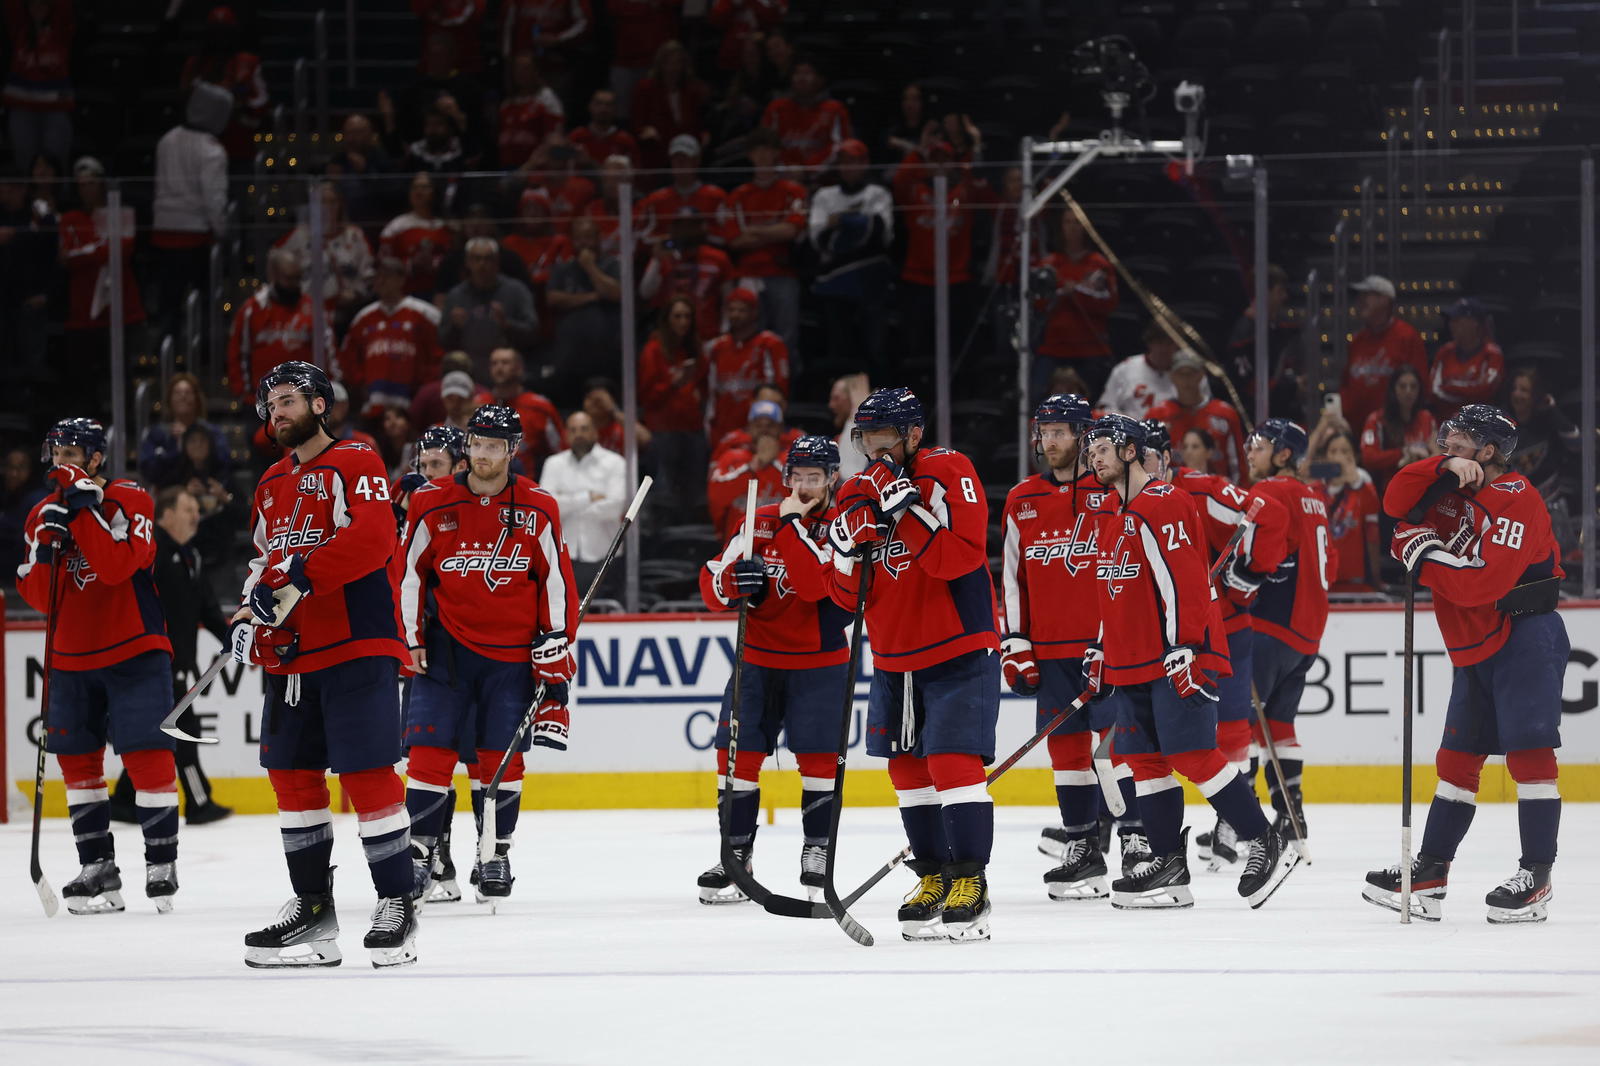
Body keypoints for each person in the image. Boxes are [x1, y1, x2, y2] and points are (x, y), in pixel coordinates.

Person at [236, 362, 417, 969]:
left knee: (366, 776)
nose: (276, 412)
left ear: (319, 404)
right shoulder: (268, 484)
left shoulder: (356, 460)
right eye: (270, 404)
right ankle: (313, 911)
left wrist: (296, 576)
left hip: (355, 643)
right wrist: (249, 609)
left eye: (287, 399)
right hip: (291, 653)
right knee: (292, 778)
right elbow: (264, 561)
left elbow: (374, 539)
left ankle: (398, 902)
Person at [1080, 414, 1298, 909]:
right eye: (1089, 451)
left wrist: (1184, 648)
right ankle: (1169, 866)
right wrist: (1099, 647)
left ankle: (1263, 839)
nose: (1094, 457)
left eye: (1104, 448)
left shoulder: (1165, 502)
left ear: (1132, 452)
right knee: (1145, 762)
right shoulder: (1111, 517)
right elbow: (1115, 594)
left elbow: (1184, 583)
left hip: (1175, 656)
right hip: (1131, 661)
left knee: (1194, 755)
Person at [1364, 405, 1567, 923]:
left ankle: (1536, 877)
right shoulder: (1453, 488)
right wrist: (1441, 470)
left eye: (1458, 443)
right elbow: (1395, 503)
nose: (1447, 446)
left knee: (1529, 758)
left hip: (1525, 635)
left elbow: (1483, 583)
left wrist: (1422, 554)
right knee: (1456, 761)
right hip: (1476, 644)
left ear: (1490, 451)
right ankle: (1430, 873)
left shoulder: (1517, 499)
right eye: (1446, 441)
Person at [823, 388, 999, 942]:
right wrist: (850, 552)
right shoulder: (854, 490)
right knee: (906, 771)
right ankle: (934, 876)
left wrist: (904, 507)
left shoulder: (949, 471)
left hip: (958, 644)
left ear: (913, 435)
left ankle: (971, 881)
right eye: (864, 440)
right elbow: (842, 596)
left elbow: (958, 558)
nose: (872, 452)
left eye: (883, 440)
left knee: (952, 764)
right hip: (895, 653)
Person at [398, 403, 578, 905]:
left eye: (493, 446)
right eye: (476, 444)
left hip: (513, 656)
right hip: (445, 651)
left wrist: (556, 638)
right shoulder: (432, 503)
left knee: (502, 758)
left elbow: (556, 580)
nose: (482, 455)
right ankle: (417, 856)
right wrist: (411, 639)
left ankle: (494, 852)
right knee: (429, 753)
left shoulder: (539, 505)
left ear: (512, 451)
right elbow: (408, 573)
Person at [16, 418, 179, 914]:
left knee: (146, 753)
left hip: (134, 648)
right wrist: (47, 546)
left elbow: (114, 567)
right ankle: (98, 870)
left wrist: (84, 513)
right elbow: (43, 598)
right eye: (57, 453)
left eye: (72, 453)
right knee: (78, 761)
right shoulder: (42, 512)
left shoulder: (130, 498)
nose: (61, 463)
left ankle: (161, 864)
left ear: (95, 459)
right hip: (70, 655)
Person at [695, 436, 850, 903]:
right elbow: (710, 583)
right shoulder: (755, 521)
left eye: (814, 478)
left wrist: (788, 526)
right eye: (797, 477)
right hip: (757, 662)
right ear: (785, 479)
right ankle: (736, 854)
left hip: (821, 664)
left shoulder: (842, 526)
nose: (804, 487)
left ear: (831, 480)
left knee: (820, 761)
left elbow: (814, 587)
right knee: (736, 757)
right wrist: (732, 582)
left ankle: (817, 852)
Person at [1000, 395, 1141, 901]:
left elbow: (1124, 568)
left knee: (1117, 748)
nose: (1051, 441)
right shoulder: (1021, 499)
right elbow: (1013, 579)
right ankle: (1083, 851)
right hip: (1051, 652)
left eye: (1062, 431)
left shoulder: (1112, 493)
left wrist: (1111, 639)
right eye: (1045, 431)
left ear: (1084, 437)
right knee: (1067, 753)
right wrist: (1015, 641)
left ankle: (1137, 844)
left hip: (1108, 650)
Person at [1147, 419, 1257, 870]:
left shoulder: (1202, 489)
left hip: (1222, 628)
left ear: (1166, 459)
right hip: (1163, 638)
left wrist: (1247, 574)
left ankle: (1235, 825)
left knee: (1229, 727)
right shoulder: (1125, 500)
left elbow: (1263, 514)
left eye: (1155, 455)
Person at [1220, 418, 1332, 851]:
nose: (1249, 451)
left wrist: (1238, 579)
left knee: (1241, 726)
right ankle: (1291, 819)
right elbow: (1330, 566)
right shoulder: (1315, 500)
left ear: (1284, 454)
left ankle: (1236, 827)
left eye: (1259, 445)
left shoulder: (1269, 493)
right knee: (1279, 724)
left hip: (1269, 626)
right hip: (1307, 634)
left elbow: (1260, 552)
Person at [108, 487, 235, 825]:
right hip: (155, 661)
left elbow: (207, 610)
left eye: (196, 508)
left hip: (178, 664)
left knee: (166, 729)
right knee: (183, 729)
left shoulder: (190, 556)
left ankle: (123, 799)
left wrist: (237, 639)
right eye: (187, 508)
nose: (196, 515)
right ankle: (198, 800)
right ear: (164, 515)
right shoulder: (153, 553)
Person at [151, 82, 231, 343]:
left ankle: (166, 347)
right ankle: (205, 347)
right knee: (204, 298)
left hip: (163, 234)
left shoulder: (166, 139)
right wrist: (221, 231)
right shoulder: (212, 150)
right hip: (195, 237)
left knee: (169, 301)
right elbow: (214, 198)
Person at [808, 139, 892, 380]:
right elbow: (821, 241)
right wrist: (859, 222)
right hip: (835, 286)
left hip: (871, 283)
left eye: (855, 161)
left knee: (875, 351)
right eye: (845, 162)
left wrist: (842, 221)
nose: (850, 167)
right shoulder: (825, 196)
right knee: (840, 354)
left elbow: (878, 234)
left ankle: (881, 410)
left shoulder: (878, 193)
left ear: (865, 163)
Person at [58, 157, 145, 388]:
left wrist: (88, 251)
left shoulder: (121, 214)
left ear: (102, 183)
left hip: (119, 309)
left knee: (122, 378)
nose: (87, 189)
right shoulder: (70, 219)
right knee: (82, 383)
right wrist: (103, 247)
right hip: (82, 313)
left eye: (91, 183)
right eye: (82, 184)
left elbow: (123, 251)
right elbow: (67, 258)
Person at [727, 128, 806, 355]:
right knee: (749, 336)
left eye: (768, 151)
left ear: (776, 154)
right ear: (750, 155)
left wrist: (754, 230)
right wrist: (774, 230)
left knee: (787, 338)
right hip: (748, 274)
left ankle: (786, 389)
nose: (762, 156)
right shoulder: (738, 195)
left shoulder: (793, 191)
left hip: (783, 273)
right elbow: (735, 241)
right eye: (757, 151)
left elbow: (791, 230)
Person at [539, 409, 627, 598]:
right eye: (573, 429)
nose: (578, 434)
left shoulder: (615, 463)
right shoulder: (553, 464)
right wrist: (588, 497)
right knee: (567, 620)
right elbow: (546, 508)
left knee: (609, 617)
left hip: (606, 555)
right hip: (564, 556)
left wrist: (565, 501)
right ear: (566, 434)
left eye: (584, 429)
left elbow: (614, 508)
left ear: (595, 431)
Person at [338, 256, 444, 412]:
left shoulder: (426, 314)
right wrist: (360, 383)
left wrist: (423, 387)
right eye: (377, 277)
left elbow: (438, 355)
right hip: (372, 405)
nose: (380, 281)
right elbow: (348, 359)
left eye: (386, 276)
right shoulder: (363, 318)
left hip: (413, 405)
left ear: (401, 280)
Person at [638, 296, 708, 520]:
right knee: (664, 491)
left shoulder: (695, 348)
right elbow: (646, 395)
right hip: (663, 430)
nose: (683, 322)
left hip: (692, 426)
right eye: (677, 316)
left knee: (694, 489)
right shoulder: (653, 350)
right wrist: (674, 382)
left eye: (687, 316)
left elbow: (705, 385)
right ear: (667, 319)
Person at [228, 249, 333, 397]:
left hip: (305, 396)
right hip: (262, 398)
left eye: (298, 278)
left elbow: (329, 351)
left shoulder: (313, 309)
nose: (295, 284)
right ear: (274, 276)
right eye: (289, 278)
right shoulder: (253, 309)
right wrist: (244, 392)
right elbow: (237, 352)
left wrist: (327, 389)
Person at [1034, 209, 1117, 400]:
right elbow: (1038, 303)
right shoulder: (1049, 264)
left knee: (1091, 405)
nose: (1072, 228)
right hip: (1054, 347)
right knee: (1038, 399)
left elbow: (1108, 303)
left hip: (1090, 348)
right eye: (1068, 222)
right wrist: (1067, 290)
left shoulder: (1099, 264)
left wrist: (1075, 292)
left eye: (1077, 223)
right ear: (1060, 226)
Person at [545, 212, 623, 397]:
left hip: (605, 357)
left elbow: (615, 293)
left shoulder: (612, 265)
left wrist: (590, 267)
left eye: (588, 237)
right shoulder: (563, 268)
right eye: (579, 238)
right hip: (569, 357)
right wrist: (593, 296)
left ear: (598, 238)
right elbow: (553, 298)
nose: (584, 243)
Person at [179, 5, 270, 163]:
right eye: (216, 32)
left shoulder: (247, 63)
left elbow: (261, 102)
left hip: (238, 143)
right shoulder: (195, 65)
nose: (220, 38)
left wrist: (238, 102)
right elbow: (185, 101)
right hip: (202, 145)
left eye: (225, 32)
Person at [275, 182, 375, 322]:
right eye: (322, 202)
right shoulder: (298, 236)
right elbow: (274, 262)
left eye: (332, 202)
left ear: (340, 205)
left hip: (346, 311)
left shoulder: (355, 236)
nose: (327, 207)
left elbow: (369, 275)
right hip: (304, 312)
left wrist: (356, 294)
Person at [438, 237, 539, 375]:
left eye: (488, 259)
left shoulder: (516, 291)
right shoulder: (456, 295)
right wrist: (455, 327)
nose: (482, 264)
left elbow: (533, 333)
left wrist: (507, 324)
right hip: (469, 372)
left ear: (497, 261)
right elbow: (442, 340)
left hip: (507, 373)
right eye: (476, 259)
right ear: (468, 262)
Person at [1340, 274, 1428, 432]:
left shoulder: (1407, 336)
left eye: (1367, 295)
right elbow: (1346, 383)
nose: (1360, 301)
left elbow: (1419, 384)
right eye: (1359, 296)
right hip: (1356, 429)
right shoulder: (1357, 340)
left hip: (1394, 431)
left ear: (1385, 299)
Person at [1145, 350, 1246, 483]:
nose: (1186, 380)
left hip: (1218, 492)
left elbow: (1238, 463)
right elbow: (1147, 463)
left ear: (1201, 375)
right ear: (1171, 376)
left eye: (1191, 373)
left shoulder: (1224, 414)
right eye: (1181, 374)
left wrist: (1239, 497)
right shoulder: (1157, 416)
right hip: (1173, 493)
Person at [706, 288, 790, 443]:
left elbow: (780, 390)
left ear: (754, 312)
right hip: (723, 428)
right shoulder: (717, 347)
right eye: (731, 310)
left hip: (760, 429)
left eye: (741, 310)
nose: (735, 315)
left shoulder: (770, 344)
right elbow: (710, 391)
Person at [640, 211, 734, 343]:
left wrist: (725, 330)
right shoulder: (664, 257)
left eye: (691, 226)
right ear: (673, 229)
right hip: (670, 337)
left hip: (707, 335)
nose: (687, 231)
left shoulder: (718, 258)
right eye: (682, 226)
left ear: (702, 228)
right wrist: (656, 260)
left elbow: (728, 298)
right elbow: (645, 292)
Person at [707, 402, 789, 539]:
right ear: (749, 428)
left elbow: (803, 497)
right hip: (738, 542)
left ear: (780, 429)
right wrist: (752, 467)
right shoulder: (731, 457)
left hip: (780, 543)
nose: (764, 430)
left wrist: (772, 462)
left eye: (770, 425)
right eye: (758, 425)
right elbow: (716, 498)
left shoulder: (791, 460)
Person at [139, 373, 232, 489]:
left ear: (197, 399)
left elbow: (224, 465)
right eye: (177, 393)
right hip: (168, 495)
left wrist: (194, 443)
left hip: (205, 493)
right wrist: (176, 448)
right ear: (169, 399)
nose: (183, 396)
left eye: (188, 392)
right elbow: (148, 470)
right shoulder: (157, 433)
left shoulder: (211, 432)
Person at [760, 55, 852, 172]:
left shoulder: (834, 109)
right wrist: (788, 169)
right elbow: (765, 144)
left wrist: (810, 169)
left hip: (824, 180)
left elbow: (839, 146)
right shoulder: (777, 108)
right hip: (782, 177)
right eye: (797, 73)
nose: (801, 78)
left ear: (820, 79)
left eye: (807, 73)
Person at [1316, 429, 1381, 592]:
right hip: (1320, 580)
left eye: (1345, 451)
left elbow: (1373, 534)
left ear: (1355, 457)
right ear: (1325, 458)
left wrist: (1356, 482)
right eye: (1333, 451)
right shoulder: (1315, 487)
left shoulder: (1362, 484)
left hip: (1355, 582)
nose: (1338, 457)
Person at [635, 136, 729, 248]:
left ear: (696, 161)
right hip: (668, 257)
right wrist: (672, 239)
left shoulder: (716, 196)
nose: (680, 163)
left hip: (706, 257)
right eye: (675, 158)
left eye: (685, 158)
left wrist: (699, 235)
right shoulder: (656, 199)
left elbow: (727, 235)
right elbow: (642, 236)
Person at [632, 39, 709, 174]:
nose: (673, 68)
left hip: (687, 146)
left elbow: (701, 120)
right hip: (658, 147)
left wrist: (704, 134)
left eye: (678, 63)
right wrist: (644, 130)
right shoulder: (645, 88)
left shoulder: (693, 89)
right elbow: (637, 122)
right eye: (669, 63)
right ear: (660, 64)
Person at [1358, 363, 1437, 493]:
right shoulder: (1377, 420)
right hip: (1390, 491)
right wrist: (1403, 453)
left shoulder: (1427, 418)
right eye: (1402, 386)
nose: (1408, 391)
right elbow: (1368, 458)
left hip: (1423, 490)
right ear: (1393, 389)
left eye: (1413, 386)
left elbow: (1437, 454)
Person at [1099, 323, 1205, 419]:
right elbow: (1105, 408)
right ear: (1149, 343)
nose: (1164, 349)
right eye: (1159, 342)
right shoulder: (1126, 369)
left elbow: (1205, 410)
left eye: (1169, 343)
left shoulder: (1192, 374)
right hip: (1132, 434)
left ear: (1178, 346)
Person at [486, 346, 565, 475]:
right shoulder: (479, 404)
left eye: (505, 362)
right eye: (494, 363)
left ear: (519, 368)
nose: (499, 368)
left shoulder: (540, 407)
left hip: (526, 484)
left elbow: (560, 451)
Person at [1429, 297, 1505, 421]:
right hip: (1446, 426)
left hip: (1481, 426)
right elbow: (1434, 391)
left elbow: (1485, 392)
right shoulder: (1444, 352)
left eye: (1457, 320)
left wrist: (1450, 387)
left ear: (1474, 323)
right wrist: (1469, 393)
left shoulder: (1492, 354)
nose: (1451, 324)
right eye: (1451, 320)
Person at [379, 173, 453, 298]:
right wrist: (411, 265)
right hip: (407, 294)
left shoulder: (446, 226)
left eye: (424, 187)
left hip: (442, 292)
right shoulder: (395, 227)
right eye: (415, 187)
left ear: (434, 192)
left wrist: (436, 263)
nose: (419, 191)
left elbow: (453, 259)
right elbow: (383, 263)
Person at [497, 52, 565, 170]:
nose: (520, 72)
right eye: (517, 68)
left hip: (537, 169)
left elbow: (555, 137)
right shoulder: (507, 103)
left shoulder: (547, 99)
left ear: (536, 71)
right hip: (508, 167)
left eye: (526, 68)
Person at [711, 385, 801, 461]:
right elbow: (715, 477)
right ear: (752, 403)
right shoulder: (731, 441)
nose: (770, 408)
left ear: (784, 406)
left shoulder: (799, 440)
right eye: (765, 402)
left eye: (777, 404)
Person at [0, 445, 47, 587]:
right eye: (9, 467)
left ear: (30, 470)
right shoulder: (9, 495)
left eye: (20, 468)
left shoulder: (37, 500)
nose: (14, 474)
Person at [570, 87, 638, 166]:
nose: (603, 109)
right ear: (590, 106)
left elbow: (636, 172)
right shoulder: (577, 137)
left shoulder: (625, 140)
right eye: (598, 103)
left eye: (608, 105)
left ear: (615, 109)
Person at [828, 372, 871, 481]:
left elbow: (850, 474)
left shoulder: (874, 442)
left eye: (836, 398)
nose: (831, 405)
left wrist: (857, 414)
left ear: (852, 399)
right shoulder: (838, 440)